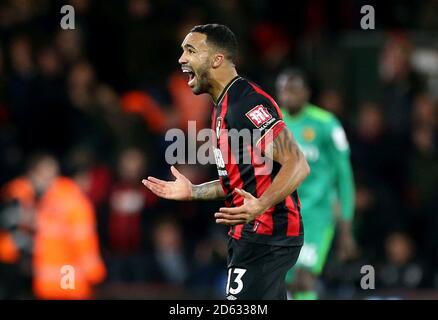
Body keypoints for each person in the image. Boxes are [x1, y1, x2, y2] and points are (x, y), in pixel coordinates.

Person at [143, 24, 310, 300]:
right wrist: (193, 191)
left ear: (217, 59)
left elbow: (297, 163)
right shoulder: (224, 105)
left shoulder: (245, 102)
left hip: (267, 235)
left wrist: (261, 205)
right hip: (253, 236)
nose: (181, 59)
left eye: (191, 50)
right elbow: (243, 181)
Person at [276, 69, 356, 300]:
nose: (287, 95)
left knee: (304, 276)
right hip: (282, 212)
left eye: (293, 90)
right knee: (287, 280)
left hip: (318, 215)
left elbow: (344, 175)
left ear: (306, 93)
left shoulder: (326, 123)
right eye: (283, 90)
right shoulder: (273, 124)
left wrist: (346, 226)